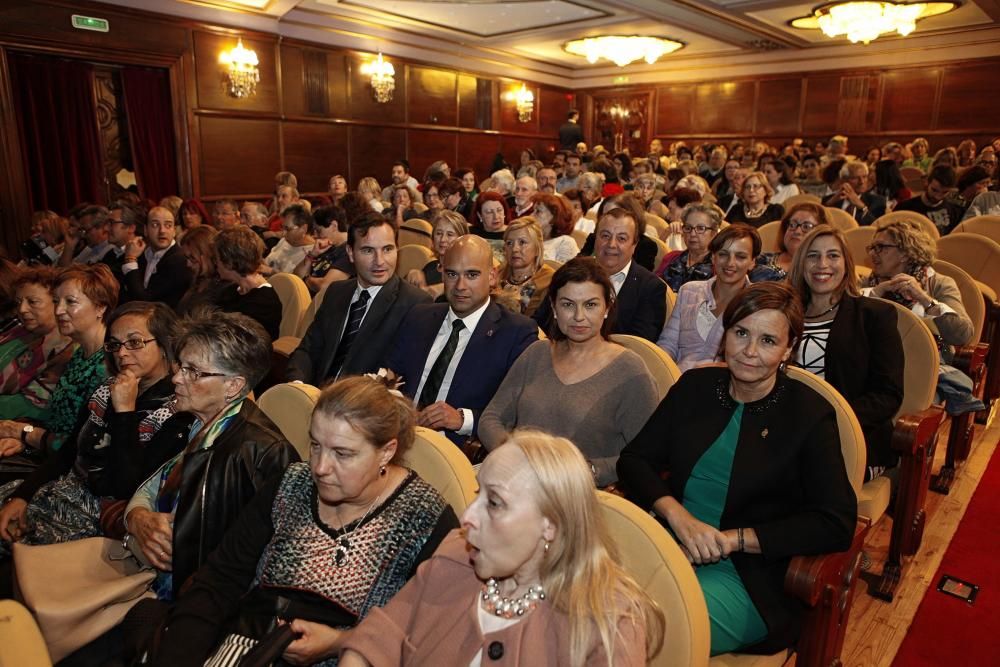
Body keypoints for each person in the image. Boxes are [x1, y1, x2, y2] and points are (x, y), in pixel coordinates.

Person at [148, 375, 457, 666]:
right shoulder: (292, 484)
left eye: (342, 454)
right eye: (315, 445)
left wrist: (341, 641)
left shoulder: (424, 519)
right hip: (247, 642)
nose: (320, 467)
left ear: (387, 452)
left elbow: (429, 637)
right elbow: (219, 582)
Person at [618, 282, 856, 655]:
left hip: (747, 575)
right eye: (740, 333)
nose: (748, 351)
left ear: (788, 349)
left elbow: (835, 522)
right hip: (666, 542)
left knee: (632, 631)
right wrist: (679, 517)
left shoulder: (807, 414)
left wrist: (732, 539)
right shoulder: (695, 387)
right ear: (724, 334)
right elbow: (634, 460)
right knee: (579, 603)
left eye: (767, 340)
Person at [340, 429, 665, 666]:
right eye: (478, 494)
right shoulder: (457, 554)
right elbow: (379, 636)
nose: (467, 517)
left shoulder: (606, 625)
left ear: (550, 523)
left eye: (494, 503)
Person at [124, 311, 298, 601]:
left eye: (194, 371)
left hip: (196, 600)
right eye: (181, 366)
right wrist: (138, 519)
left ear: (234, 386)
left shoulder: (262, 453)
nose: (176, 378)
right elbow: (148, 487)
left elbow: (262, 564)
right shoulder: (187, 423)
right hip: (152, 572)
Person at [0, 302, 183, 557]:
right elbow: (68, 452)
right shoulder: (108, 388)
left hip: (97, 517)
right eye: (115, 344)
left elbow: (126, 487)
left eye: (135, 342)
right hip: (61, 491)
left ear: (165, 345)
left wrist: (125, 413)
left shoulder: (176, 412)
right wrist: (22, 496)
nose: (122, 353)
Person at [480, 258, 658, 486]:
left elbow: (644, 457)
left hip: (579, 495)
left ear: (607, 308)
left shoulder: (631, 371)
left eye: (591, 305)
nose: (579, 316)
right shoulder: (537, 353)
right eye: (568, 304)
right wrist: (514, 455)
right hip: (516, 479)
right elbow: (491, 418)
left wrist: (588, 470)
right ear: (554, 308)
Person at [388, 235, 537, 446]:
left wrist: (462, 419)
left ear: (493, 276)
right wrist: (397, 403)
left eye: (472, 275)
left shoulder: (516, 333)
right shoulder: (419, 317)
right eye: (452, 274)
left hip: (457, 450)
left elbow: (518, 413)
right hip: (398, 437)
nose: (460, 285)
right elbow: (389, 374)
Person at [788, 227, 903, 480]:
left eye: (833, 256)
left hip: (851, 434)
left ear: (846, 263)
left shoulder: (874, 316)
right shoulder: (784, 313)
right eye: (813, 256)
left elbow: (887, 395)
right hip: (785, 430)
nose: (822, 264)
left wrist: (827, 421)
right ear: (801, 263)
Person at [287, 213, 432, 384]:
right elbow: (307, 350)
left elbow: (402, 376)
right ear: (350, 253)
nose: (380, 261)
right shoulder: (336, 292)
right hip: (315, 396)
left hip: (363, 405)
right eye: (368, 250)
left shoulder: (415, 304)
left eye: (387, 249)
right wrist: (298, 386)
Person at [0, 264, 118, 458]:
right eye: (56, 301)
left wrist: (21, 432)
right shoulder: (81, 354)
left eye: (70, 302)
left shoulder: (107, 365)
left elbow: (80, 446)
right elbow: (58, 421)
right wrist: (23, 437)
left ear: (100, 307)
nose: (59, 310)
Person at [537, 207, 666, 342]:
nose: (611, 244)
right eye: (605, 236)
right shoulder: (569, 272)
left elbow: (639, 344)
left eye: (621, 238)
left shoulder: (650, 287)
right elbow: (541, 322)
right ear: (595, 239)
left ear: (634, 245)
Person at [657, 225, 759, 372]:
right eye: (723, 254)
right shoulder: (689, 291)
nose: (730, 263)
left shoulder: (757, 305)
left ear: (752, 262)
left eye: (740, 256)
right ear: (713, 257)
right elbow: (668, 344)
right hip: (677, 380)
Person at [865, 220, 974, 357]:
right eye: (872, 248)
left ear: (905, 253)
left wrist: (923, 298)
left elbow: (963, 335)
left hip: (925, 363)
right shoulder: (867, 283)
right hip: (873, 361)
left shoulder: (939, 284)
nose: (872, 254)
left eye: (880, 247)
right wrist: (874, 294)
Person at [0, 268, 74, 423]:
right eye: (19, 302)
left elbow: (34, 407)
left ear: (57, 303)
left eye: (32, 302)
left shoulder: (66, 348)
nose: (22, 309)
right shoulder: (19, 331)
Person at [214, 226, 283, 341]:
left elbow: (241, 344)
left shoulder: (264, 302)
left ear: (230, 262)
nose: (215, 263)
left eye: (216, 258)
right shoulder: (231, 290)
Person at [750, 202, 830, 282]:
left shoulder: (821, 270)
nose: (797, 231)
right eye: (792, 225)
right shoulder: (760, 259)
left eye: (806, 226)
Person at [657, 202, 720, 291]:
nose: (692, 234)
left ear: (714, 233)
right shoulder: (671, 258)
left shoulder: (718, 267)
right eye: (688, 228)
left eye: (700, 228)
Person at [405, 210, 468, 299]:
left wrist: (445, 288)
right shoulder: (430, 267)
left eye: (450, 235)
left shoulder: (467, 270)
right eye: (439, 233)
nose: (442, 239)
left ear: (462, 239)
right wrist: (410, 275)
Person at [293, 205, 355, 294]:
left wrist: (306, 278)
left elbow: (325, 286)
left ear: (334, 226)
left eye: (319, 231)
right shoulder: (326, 246)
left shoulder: (348, 251)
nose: (315, 235)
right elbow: (296, 275)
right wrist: (312, 255)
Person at [499, 217, 555, 317]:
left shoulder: (549, 280)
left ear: (537, 248)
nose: (515, 249)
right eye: (509, 243)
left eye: (522, 242)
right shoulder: (497, 274)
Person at [175, 226, 229, 316]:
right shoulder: (196, 280)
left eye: (192, 258)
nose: (188, 264)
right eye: (186, 258)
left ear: (207, 254)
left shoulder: (224, 288)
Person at [822, 161, 886, 226]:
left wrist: (862, 207)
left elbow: (878, 227)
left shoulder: (878, 201)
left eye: (864, 177)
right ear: (844, 180)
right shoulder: (829, 199)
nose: (861, 182)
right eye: (855, 178)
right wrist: (830, 203)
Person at [263, 204, 315, 275]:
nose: (284, 234)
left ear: (303, 229)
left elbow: (296, 281)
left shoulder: (312, 252)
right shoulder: (284, 241)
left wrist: (271, 272)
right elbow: (267, 263)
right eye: (282, 227)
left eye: (287, 229)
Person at [530, 193, 578, 263]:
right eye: (533, 211)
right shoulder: (531, 239)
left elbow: (568, 272)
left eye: (538, 211)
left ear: (554, 218)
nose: (531, 215)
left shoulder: (565, 242)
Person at [468, 191, 511, 265]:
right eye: (489, 212)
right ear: (479, 215)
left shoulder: (512, 233)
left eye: (499, 210)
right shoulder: (471, 234)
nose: (496, 216)